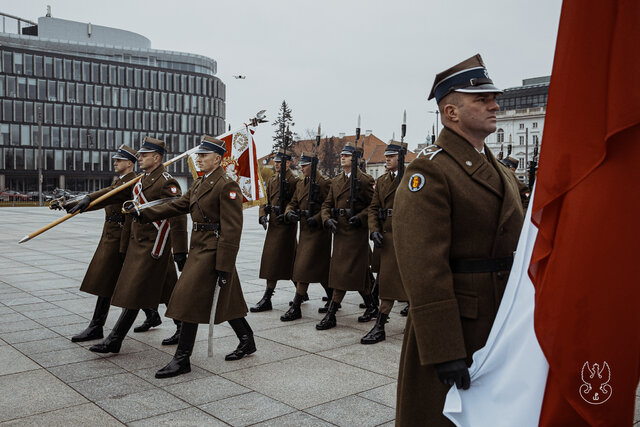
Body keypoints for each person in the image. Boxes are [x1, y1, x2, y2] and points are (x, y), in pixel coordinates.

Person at [393, 54, 525, 426]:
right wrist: (444, 348)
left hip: (500, 317)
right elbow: (423, 267)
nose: (494, 105)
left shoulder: (497, 167)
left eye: (492, 97)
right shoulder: (429, 171)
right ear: (451, 112)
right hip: (458, 324)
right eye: (481, 99)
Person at [136, 136, 255, 378]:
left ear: (218, 159)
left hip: (212, 250)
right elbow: (177, 205)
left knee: (187, 299)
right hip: (198, 248)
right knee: (224, 300)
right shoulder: (200, 183)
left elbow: (233, 228)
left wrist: (225, 264)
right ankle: (247, 339)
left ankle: (182, 359)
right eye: (198, 155)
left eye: (203, 156)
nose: (198, 159)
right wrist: (144, 212)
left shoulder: (226, 185)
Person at [88, 137, 188, 354]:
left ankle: (115, 339)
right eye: (139, 155)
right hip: (138, 243)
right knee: (169, 288)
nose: (139, 158)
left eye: (144, 155)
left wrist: (180, 250)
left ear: (156, 157)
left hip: (154, 246)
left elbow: (178, 215)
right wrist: (86, 200)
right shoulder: (141, 180)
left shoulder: (167, 182)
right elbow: (113, 198)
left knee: (135, 290)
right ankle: (182, 327)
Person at [54, 145, 161, 342]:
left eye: (119, 160)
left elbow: (107, 196)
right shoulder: (119, 181)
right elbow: (101, 199)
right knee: (114, 280)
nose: (115, 163)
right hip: (111, 235)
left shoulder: (133, 182)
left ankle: (97, 326)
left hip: (122, 237)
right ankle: (151, 314)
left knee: (110, 281)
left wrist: (84, 200)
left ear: (130, 163)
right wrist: (67, 204)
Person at [318, 142, 376, 330]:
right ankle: (372, 306)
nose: (342, 157)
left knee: (345, 272)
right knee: (354, 273)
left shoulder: (365, 180)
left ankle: (332, 314)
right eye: (341, 155)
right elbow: (326, 204)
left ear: (355, 159)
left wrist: (359, 217)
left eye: (347, 155)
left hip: (355, 233)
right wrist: (327, 220)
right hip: (340, 231)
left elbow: (373, 207)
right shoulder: (336, 181)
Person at [361, 143, 409, 344]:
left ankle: (414, 323)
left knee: (411, 283)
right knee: (387, 281)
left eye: (391, 156)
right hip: (387, 237)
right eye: (386, 156)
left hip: (407, 237)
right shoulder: (382, 181)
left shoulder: (411, 179)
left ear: (400, 157)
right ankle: (380, 325)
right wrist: (374, 230)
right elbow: (373, 208)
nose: (387, 159)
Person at [282, 151, 333, 320]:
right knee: (321, 269)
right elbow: (293, 203)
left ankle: (296, 307)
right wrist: (289, 213)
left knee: (303, 267)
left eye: (305, 165)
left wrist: (318, 218)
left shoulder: (324, 183)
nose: (301, 168)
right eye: (301, 165)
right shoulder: (301, 183)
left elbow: (329, 206)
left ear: (313, 166)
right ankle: (333, 299)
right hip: (304, 230)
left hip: (318, 232)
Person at [253, 148, 300, 312]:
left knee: (274, 261)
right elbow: (264, 199)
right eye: (276, 161)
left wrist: (287, 215)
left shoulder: (294, 181)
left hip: (285, 226)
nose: (277, 164)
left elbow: (296, 203)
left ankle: (267, 298)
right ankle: (305, 292)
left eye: (280, 162)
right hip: (273, 223)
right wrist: (262, 214)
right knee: (292, 261)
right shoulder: (273, 179)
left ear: (288, 163)